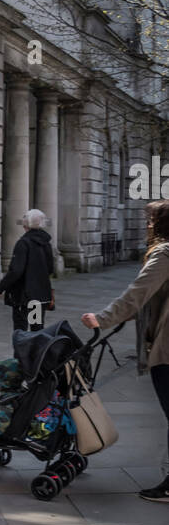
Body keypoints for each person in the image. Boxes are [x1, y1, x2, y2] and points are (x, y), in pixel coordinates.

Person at [82, 199, 169, 501]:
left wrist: (102, 319)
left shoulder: (165, 254)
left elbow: (137, 294)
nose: (147, 225)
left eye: (151, 220)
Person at [0, 209, 54, 333]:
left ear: (25, 224)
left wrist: (1, 287)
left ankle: (22, 352)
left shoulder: (23, 243)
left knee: (20, 330)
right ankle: (35, 352)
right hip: (39, 295)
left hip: (23, 295)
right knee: (36, 329)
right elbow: (50, 269)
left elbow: (16, 271)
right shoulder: (46, 243)